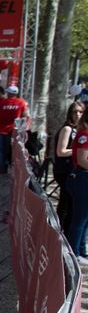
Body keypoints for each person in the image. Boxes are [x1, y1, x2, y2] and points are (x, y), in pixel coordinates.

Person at [54, 101, 85, 229]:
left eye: (80, 112)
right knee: (66, 202)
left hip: (73, 170)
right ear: (70, 114)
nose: (77, 115)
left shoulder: (80, 130)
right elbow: (61, 152)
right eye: (75, 112)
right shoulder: (68, 129)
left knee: (70, 203)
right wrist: (80, 150)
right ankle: (60, 230)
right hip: (64, 170)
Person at [65, 110, 88, 265]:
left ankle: (81, 251)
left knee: (85, 219)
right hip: (82, 178)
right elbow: (82, 160)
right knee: (80, 218)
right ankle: (74, 253)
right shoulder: (84, 135)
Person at [0, 85, 29, 173]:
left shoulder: (2, 102)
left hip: (0, 129)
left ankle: (1, 167)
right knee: (10, 149)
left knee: (0, 149)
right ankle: (5, 165)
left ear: (9, 93)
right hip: (12, 130)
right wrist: (23, 130)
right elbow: (25, 116)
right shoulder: (21, 102)